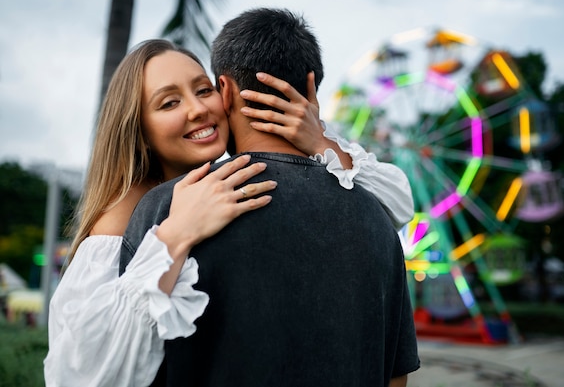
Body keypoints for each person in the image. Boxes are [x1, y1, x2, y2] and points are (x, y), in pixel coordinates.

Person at [44, 38, 414, 385]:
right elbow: (80, 371)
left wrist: (320, 140)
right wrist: (175, 235)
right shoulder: (125, 218)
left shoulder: (217, 185)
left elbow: (399, 203)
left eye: (203, 90)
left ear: (225, 92)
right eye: (169, 103)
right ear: (138, 128)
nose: (198, 109)